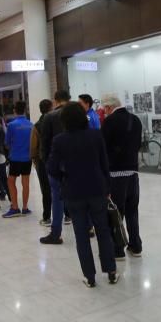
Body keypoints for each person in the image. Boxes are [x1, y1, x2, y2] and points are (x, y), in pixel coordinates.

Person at [48, 102, 119, 287]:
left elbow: (52, 168)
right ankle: (111, 271)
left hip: (73, 192)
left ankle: (90, 276)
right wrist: (107, 187)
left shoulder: (59, 140)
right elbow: (105, 164)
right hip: (97, 189)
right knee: (103, 231)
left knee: (81, 234)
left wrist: (64, 176)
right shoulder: (96, 135)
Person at [100, 93, 143, 258]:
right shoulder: (135, 120)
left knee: (116, 213)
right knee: (132, 210)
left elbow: (102, 148)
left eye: (105, 109)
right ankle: (136, 246)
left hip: (115, 173)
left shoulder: (109, 122)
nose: (104, 112)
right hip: (133, 172)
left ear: (109, 107)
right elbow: (138, 144)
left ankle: (118, 249)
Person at [39, 90, 72, 244]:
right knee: (82, 195)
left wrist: (47, 163)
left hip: (56, 163)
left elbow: (44, 143)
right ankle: (89, 228)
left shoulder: (49, 117)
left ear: (56, 100)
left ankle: (56, 233)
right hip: (77, 163)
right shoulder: (78, 112)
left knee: (57, 199)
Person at [3, 101, 34, 218]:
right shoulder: (31, 125)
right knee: (25, 182)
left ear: (14, 111)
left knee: (11, 181)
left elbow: (6, 143)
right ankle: (25, 208)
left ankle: (15, 207)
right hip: (27, 158)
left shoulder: (11, 125)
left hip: (15, 157)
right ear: (25, 110)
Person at [30, 99, 54, 226]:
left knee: (45, 189)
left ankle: (46, 217)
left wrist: (34, 159)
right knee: (59, 187)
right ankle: (67, 215)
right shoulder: (57, 122)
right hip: (56, 159)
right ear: (51, 107)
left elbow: (33, 146)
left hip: (42, 161)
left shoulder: (37, 125)